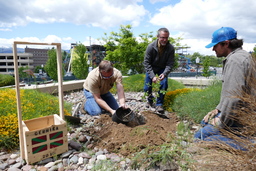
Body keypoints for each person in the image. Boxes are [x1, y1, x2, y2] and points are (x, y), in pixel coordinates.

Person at [194, 27, 254, 148]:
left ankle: (249, 144)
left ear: (226, 44)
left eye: (215, 45)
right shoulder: (242, 56)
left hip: (242, 118)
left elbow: (234, 98)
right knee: (204, 122)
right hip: (241, 113)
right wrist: (217, 110)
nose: (213, 49)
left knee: (200, 137)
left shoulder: (235, 61)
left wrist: (221, 122)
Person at [143, 28, 175, 113]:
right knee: (147, 87)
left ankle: (159, 104)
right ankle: (150, 101)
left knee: (164, 84)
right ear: (157, 36)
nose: (164, 40)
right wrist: (152, 76)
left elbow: (170, 63)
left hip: (163, 68)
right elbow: (146, 62)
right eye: (162, 37)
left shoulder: (171, 48)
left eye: (166, 38)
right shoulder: (150, 47)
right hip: (152, 67)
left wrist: (164, 73)